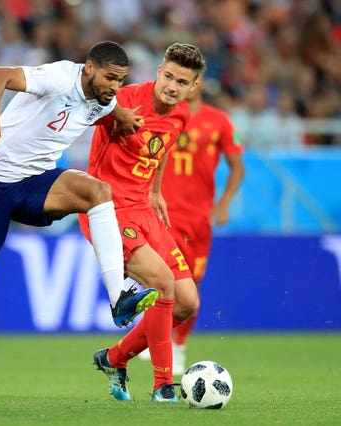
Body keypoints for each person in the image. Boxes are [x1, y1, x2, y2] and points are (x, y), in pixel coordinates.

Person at [0, 40, 158, 403]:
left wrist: (121, 115)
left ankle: (118, 297)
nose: (115, 87)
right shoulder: (60, 76)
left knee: (97, 192)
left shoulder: (105, 98)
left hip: (36, 182)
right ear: (89, 68)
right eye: (110, 77)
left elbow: (108, 107)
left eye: (121, 81)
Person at [79, 43, 206, 402]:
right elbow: (84, 106)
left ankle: (113, 358)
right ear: (159, 70)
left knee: (186, 302)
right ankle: (163, 386)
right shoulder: (123, 101)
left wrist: (156, 190)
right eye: (167, 76)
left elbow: (161, 148)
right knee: (164, 284)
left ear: (192, 87)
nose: (171, 86)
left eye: (181, 81)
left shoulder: (180, 115)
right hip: (109, 210)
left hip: (144, 208)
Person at [160, 75, 244, 374]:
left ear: (199, 85)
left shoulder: (218, 121)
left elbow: (238, 167)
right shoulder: (162, 113)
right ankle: (158, 339)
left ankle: (178, 344)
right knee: (162, 278)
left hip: (199, 218)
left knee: (191, 285)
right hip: (164, 213)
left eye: (191, 80)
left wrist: (223, 204)